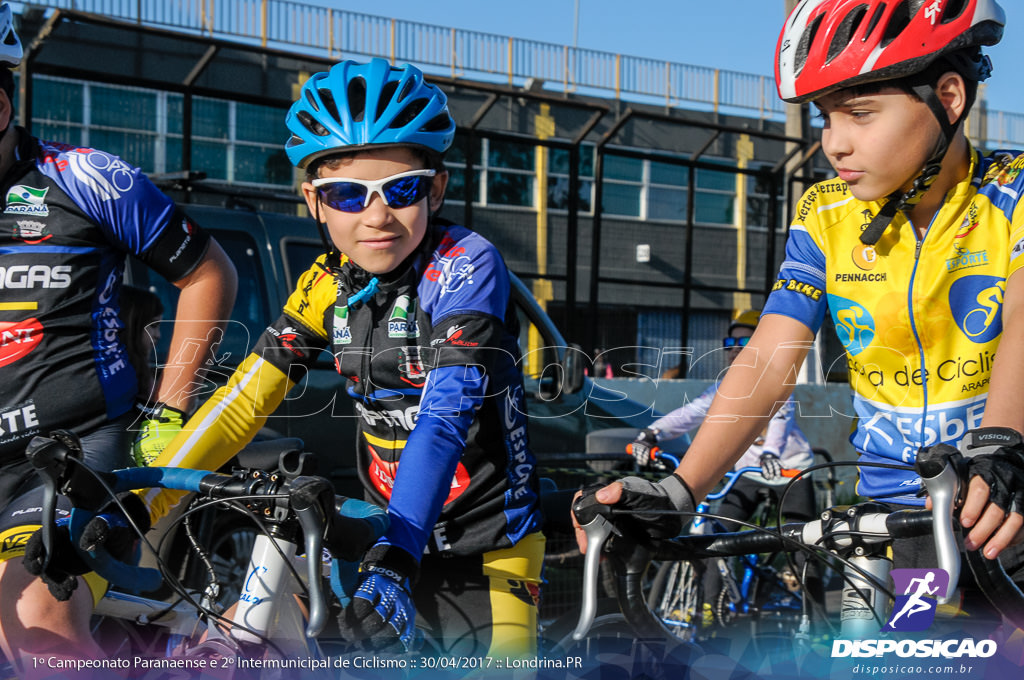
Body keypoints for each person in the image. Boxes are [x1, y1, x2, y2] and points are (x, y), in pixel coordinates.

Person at [575, 0, 1024, 602]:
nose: (834, 144)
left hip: (1007, 495)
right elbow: (769, 357)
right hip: (895, 516)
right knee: (898, 664)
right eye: (825, 118)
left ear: (948, 97)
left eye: (860, 114)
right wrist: (684, 489)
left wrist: (1001, 443)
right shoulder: (825, 215)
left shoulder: (1014, 194)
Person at [133, 58, 544, 657]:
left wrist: (397, 558)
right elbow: (244, 401)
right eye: (348, 195)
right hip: (384, 529)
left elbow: (444, 415)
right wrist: (145, 505)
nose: (376, 216)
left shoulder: (466, 263)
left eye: (401, 190)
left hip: (489, 540)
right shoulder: (326, 282)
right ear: (315, 202)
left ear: (436, 188)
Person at [0, 2, 238, 674]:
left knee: (35, 624)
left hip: (71, 449)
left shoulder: (84, 178)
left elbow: (207, 272)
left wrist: (171, 409)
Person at [628, 309, 823, 623]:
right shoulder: (726, 385)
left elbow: (780, 417)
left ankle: (818, 623)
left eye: (744, 340)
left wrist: (771, 453)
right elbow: (692, 413)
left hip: (788, 470)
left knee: (803, 544)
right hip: (746, 473)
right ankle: (708, 611)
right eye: (729, 341)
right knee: (718, 537)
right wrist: (653, 433)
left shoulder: (777, 376)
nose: (734, 347)